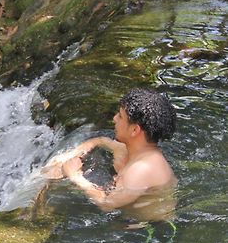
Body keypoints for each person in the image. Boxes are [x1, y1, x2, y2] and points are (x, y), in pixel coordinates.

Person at [41, 88, 177, 221]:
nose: (114, 119)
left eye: (120, 116)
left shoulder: (141, 169)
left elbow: (106, 203)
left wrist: (75, 176)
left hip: (149, 230)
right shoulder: (134, 151)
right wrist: (74, 152)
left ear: (135, 130)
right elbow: (101, 141)